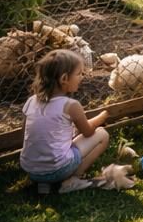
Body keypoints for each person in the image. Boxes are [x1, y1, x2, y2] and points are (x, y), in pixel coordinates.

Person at [20, 49, 110, 194]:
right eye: (79, 73)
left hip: (31, 170)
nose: (82, 77)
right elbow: (88, 132)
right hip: (57, 169)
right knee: (102, 135)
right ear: (64, 79)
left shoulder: (31, 101)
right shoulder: (70, 105)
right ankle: (72, 180)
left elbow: (25, 134)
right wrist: (102, 117)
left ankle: (44, 185)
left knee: (57, 144)